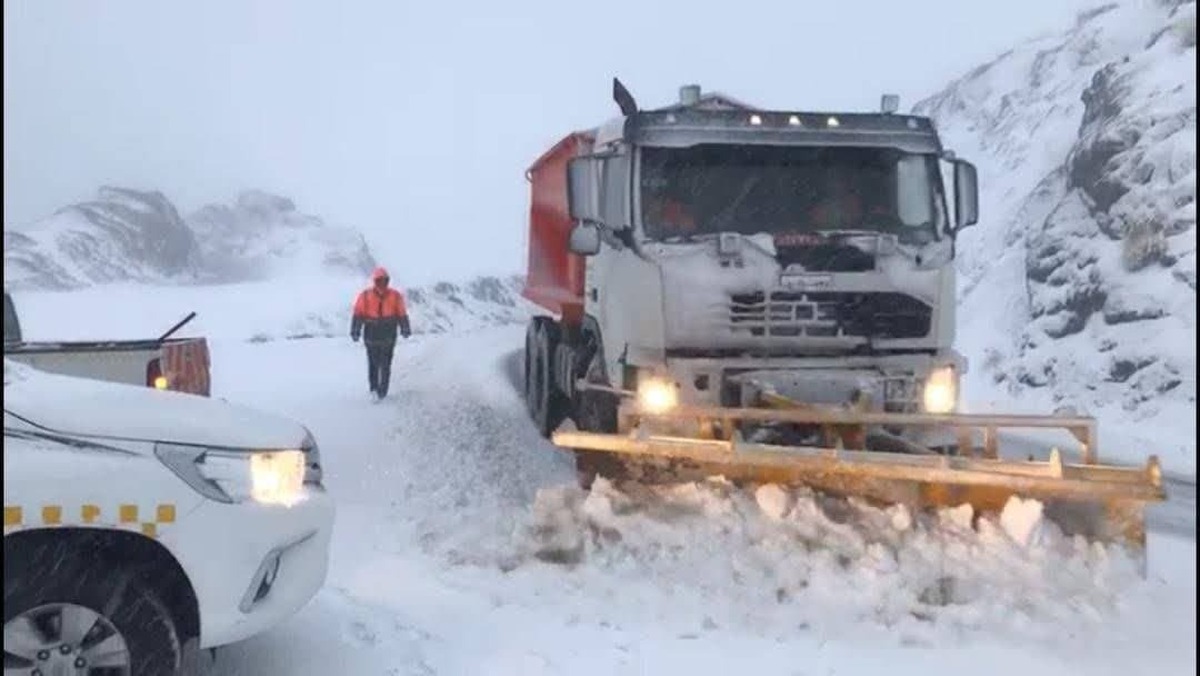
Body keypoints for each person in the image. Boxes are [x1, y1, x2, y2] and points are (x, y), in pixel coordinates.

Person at [350, 267, 412, 400]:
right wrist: (355, 330)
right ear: (375, 281)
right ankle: (374, 389)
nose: (382, 284)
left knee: (385, 364)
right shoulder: (365, 296)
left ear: (388, 281)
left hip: (388, 335)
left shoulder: (395, 296)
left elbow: (401, 313)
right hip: (371, 335)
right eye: (379, 281)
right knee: (373, 363)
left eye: (384, 281)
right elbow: (358, 314)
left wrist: (405, 328)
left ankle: (382, 391)